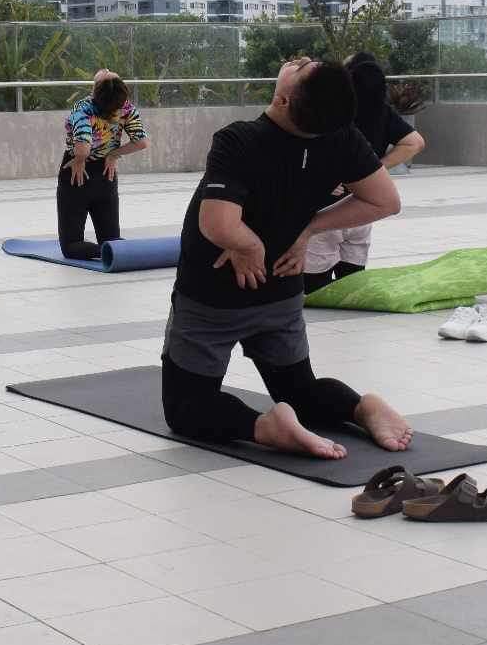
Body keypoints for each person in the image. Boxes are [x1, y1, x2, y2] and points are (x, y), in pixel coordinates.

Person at [162, 56, 417, 460]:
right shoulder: (341, 137)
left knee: (186, 407)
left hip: (214, 295)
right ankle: (359, 407)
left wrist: (248, 245)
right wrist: (311, 227)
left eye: (301, 68)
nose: (300, 59)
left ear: (282, 100)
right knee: (300, 390)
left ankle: (265, 426)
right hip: (281, 290)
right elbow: (385, 201)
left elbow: (216, 223)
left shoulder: (239, 140)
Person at [302, 52, 425, 293]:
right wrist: (375, 170)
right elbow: (415, 142)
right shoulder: (384, 113)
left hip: (326, 212)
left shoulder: (330, 114)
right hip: (362, 209)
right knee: (352, 289)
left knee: (317, 291)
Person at [58, 69, 149, 259]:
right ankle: (116, 249)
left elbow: (82, 149)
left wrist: (80, 159)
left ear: (96, 91)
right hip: (106, 173)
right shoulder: (125, 107)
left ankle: (104, 251)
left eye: (109, 77)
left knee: (71, 246)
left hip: (77, 173)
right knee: (112, 239)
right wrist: (114, 154)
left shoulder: (83, 108)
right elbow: (141, 142)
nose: (107, 70)